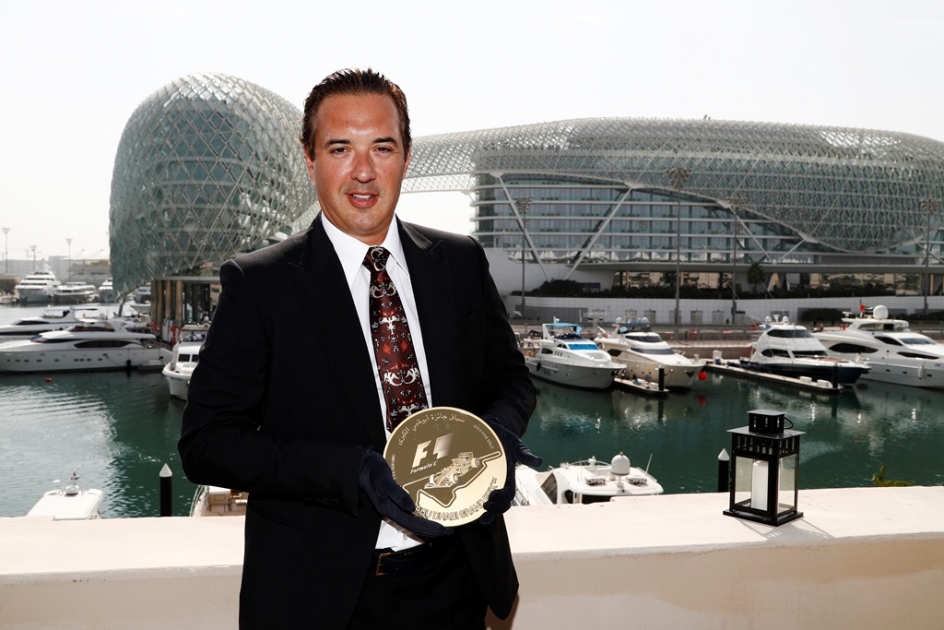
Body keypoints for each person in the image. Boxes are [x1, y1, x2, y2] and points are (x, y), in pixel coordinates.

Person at [178, 68, 540, 629]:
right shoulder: (260, 285)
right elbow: (207, 443)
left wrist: (490, 443)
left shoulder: (460, 262)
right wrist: (349, 471)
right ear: (310, 159)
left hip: (457, 578)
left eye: (382, 147)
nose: (364, 170)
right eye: (340, 148)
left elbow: (511, 381)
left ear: (406, 156)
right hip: (321, 597)